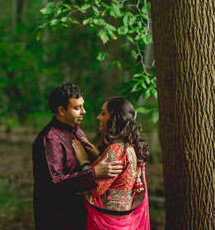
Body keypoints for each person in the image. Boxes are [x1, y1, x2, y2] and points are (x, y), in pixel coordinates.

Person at [33, 83, 123, 230]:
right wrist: (94, 173)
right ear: (61, 110)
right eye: (77, 108)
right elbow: (54, 184)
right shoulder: (48, 139)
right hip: (57, 219)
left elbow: (82, 165)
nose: (84, 111)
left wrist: (96, 158)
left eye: (82, 106)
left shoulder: (77, 131)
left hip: (80, 214)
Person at [72, 97, 150, 229]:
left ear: (114, 118)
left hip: (110, 222)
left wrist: (84, 161)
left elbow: (94, 190)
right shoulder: (131, 147)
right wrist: (99, 157)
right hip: (125, 220)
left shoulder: (116, 150)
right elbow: (119, 178)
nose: (98, 117)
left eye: (103, 113)